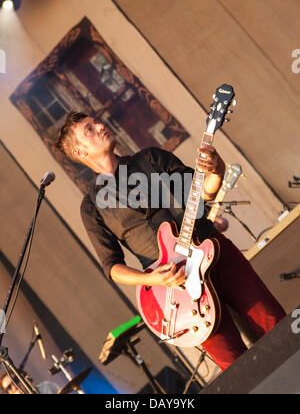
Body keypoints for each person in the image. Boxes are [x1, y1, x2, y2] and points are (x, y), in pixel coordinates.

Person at [55, 111, 286, 371]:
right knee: (236, 367)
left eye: (96, 121)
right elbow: (112, 267)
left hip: (215, 253)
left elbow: (202, 193)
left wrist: (217, 171)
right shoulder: (92, 207)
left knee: (276, 326)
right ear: (79, 153)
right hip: (177, 290)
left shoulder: (151, 158)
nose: (99, 125)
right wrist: (153, 279)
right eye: (89, 129)